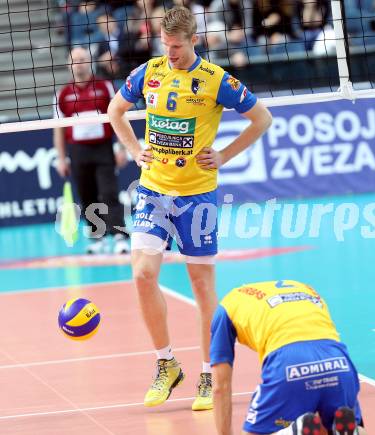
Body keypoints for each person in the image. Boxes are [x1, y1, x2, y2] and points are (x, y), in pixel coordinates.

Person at [107, 5, 272, 411]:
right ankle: (166, 364)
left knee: (202, 287)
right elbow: (115, 111)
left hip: (198, 195)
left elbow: (262, 119)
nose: (171, 53)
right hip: (153, 191)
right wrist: (134, 149)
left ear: (193, 40)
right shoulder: (150, 71)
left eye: (177, 47)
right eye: (166, 46)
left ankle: (206, 373)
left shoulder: (216, 80)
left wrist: (226, 155)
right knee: (143, 275)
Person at [210, 279, 367, 435]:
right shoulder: (306, 289)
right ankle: (353, 432)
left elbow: (220, 387)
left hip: (289, 363)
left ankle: (292, 431)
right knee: (338, 423)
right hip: (338, 360)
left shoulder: (226, 307)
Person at [54, 47, 130, 255]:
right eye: (75, 60)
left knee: (109, 192)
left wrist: (122, 147)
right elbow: (59, 130)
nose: (79, 63)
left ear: (89, 62)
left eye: (82, 59)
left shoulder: (105, 86)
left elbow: (119, 116)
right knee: (87, 196)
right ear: (69, 65)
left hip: (103, 148)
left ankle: (120, 236)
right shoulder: (62, 94)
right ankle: (98, 238)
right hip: (78, 151)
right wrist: (61, 158)